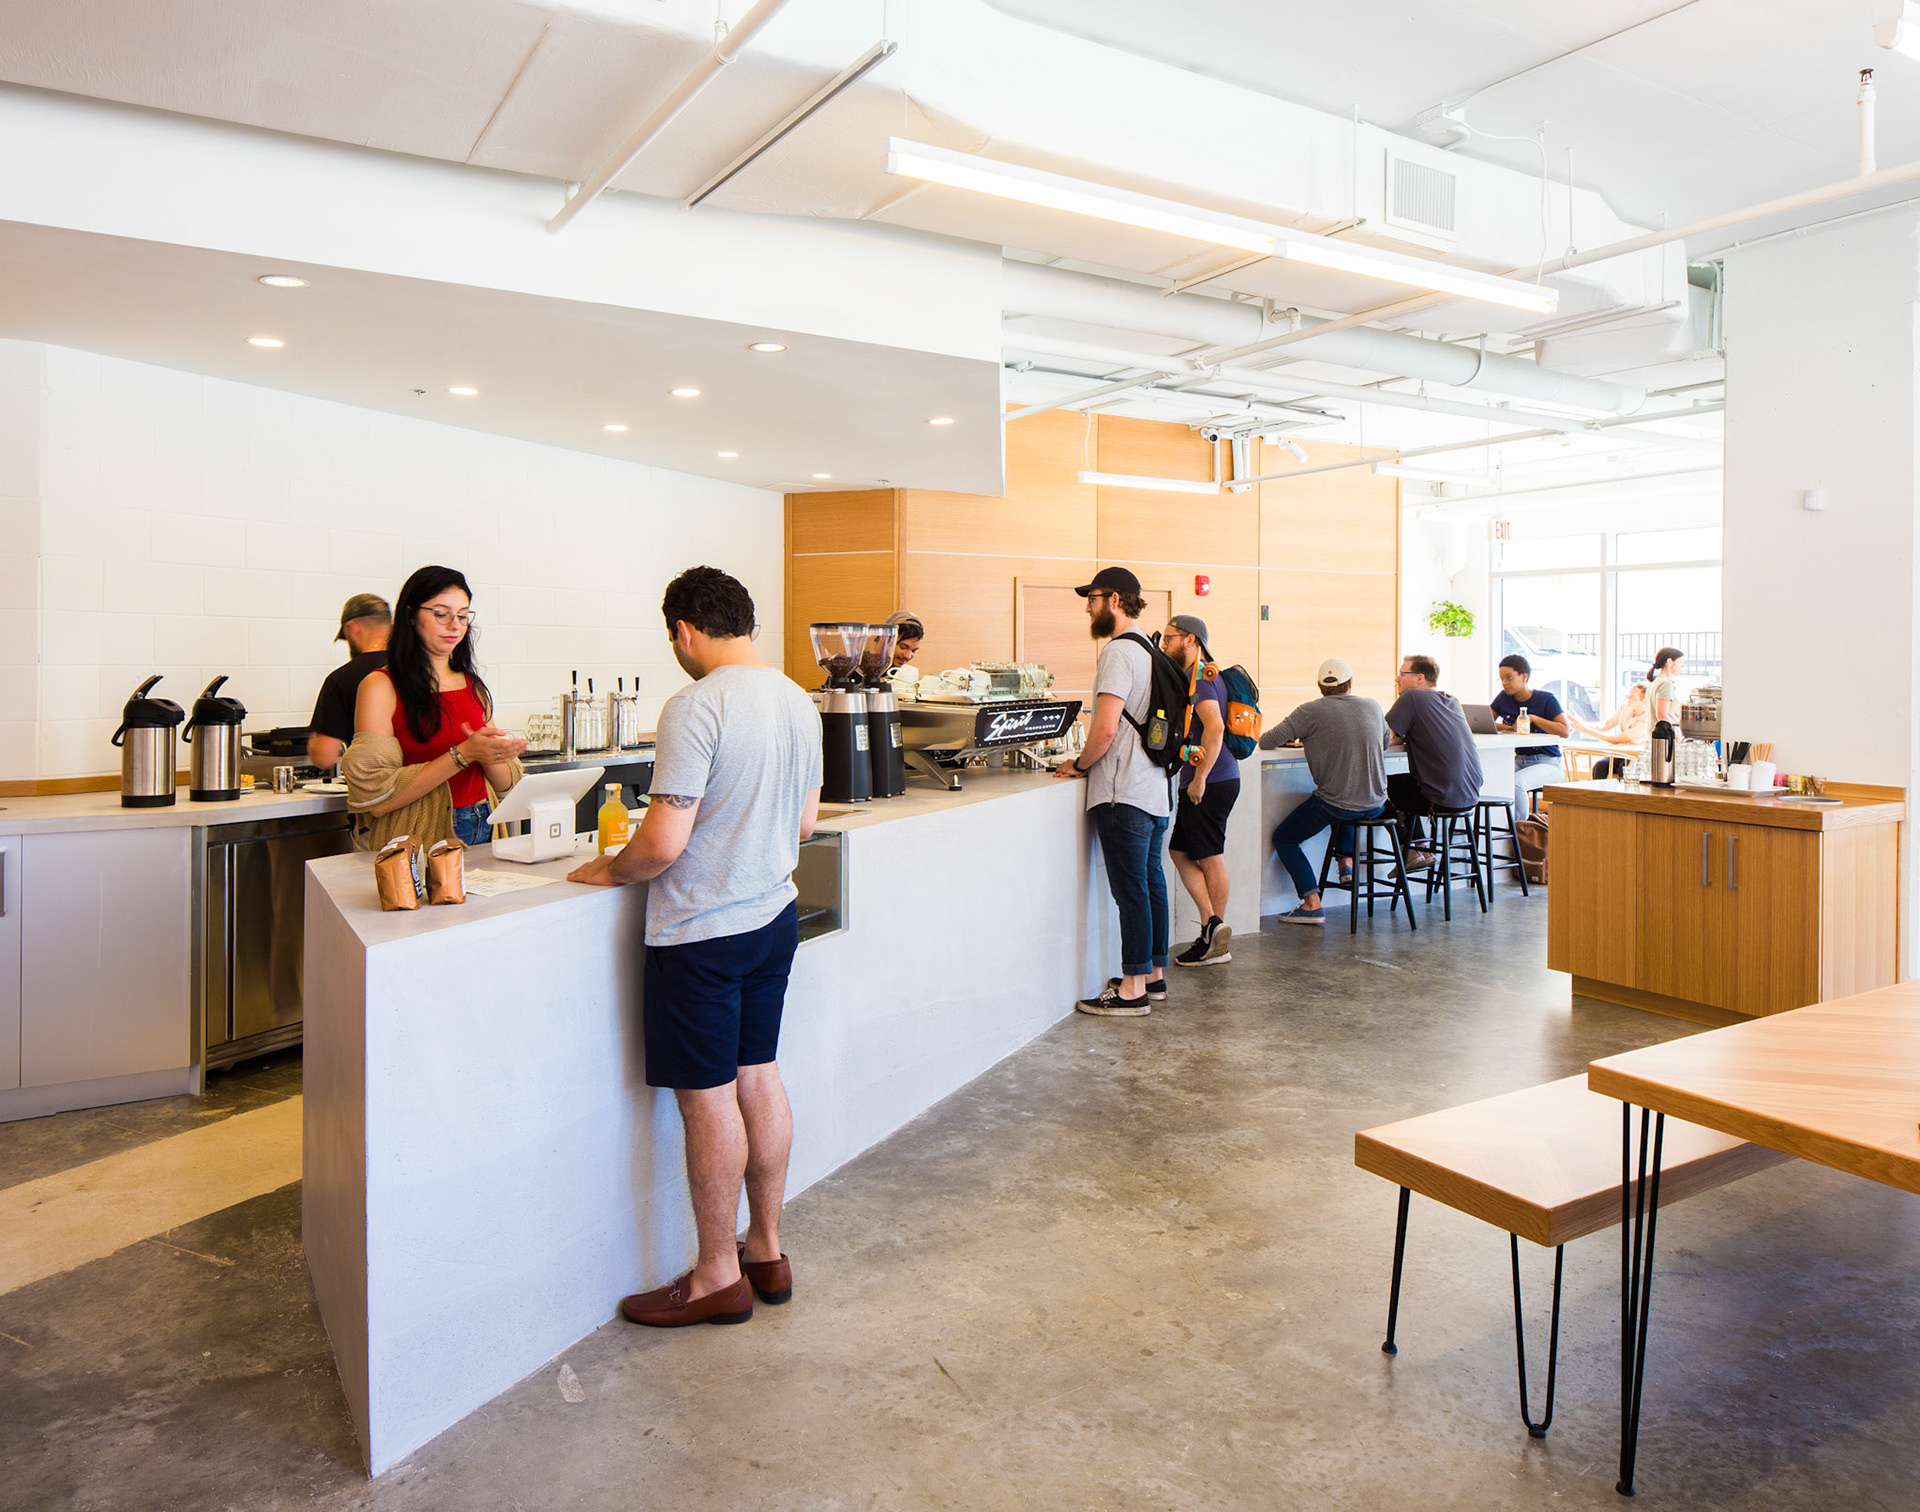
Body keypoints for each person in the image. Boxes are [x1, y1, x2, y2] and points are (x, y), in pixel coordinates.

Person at [569, 566, 822, 1328]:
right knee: (759, 1078)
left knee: (709, 1100)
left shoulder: (695, 705)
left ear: (683, 631)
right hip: (773, 918)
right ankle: (765, 1249)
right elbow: (805, 824)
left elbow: (661, 844)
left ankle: (716, 1274)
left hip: (702, 934)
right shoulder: (797, 699)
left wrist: (610, 869)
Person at [1054, 567, 1171, 1015]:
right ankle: (1153, 977)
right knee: (1150, 883)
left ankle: (1132, 990)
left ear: (1116, 600)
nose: (1088, 608)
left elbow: (1104, 729)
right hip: (1155, 789)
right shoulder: (1150, 649)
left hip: (1125, 792)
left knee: (1131, 891)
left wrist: (1079, 764)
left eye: (1093, 598)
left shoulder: (1119, 652)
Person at [346, 566, 525, 849]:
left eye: (463, 616)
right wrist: (463, 754)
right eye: (441, 614)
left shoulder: (472, 685)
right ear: (411, 615)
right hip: (419, 833)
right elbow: (376, 797)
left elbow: (506, 787)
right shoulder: (381, 686)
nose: (455, 626)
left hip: (485, 823)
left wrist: (492, 754)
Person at [1257, 658, 1388, 926]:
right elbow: (1384, 742)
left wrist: (1303, 736)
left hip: (1337, 804)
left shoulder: (1309, 711)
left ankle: (1312, 903)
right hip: (1377, 804)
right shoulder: (1373, 706)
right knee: (1348, 804)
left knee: (1285, 838)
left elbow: (1267, 740)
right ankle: (1345, 864)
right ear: (1350, 683)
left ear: (1320, 686)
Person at [1159, 614, 1236, 967]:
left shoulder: (1202, 678)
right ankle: (1212, 927)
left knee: (1209, 856)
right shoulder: (1195, 676)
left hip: (1212, 781)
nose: (1164, 644)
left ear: (1191, 640)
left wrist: (1200, 776)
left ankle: (1214, 940)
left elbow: (1215, 728)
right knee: (1180, 850)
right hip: (1209, 780)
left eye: (1169, 638)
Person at [1384, 654, 1483, 868]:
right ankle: (1419, 847)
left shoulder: (1412, 697)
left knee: (1376, 786)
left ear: (1419, 678)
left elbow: (1383, 737)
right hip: (1470, 795)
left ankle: (1410, 848)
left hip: (1439, 798)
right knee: (1407, 784)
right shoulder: (1451, 700)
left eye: (1402, 674)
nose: (1397, 679)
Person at [306, 593, 391, 772]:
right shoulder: (419, 668)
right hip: (428, 778)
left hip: (375, 782)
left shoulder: (340, 680)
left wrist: (314, 746)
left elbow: (325, 756)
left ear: (353, 628)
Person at [1491, 653, 1569, 814]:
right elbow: (1486, 721)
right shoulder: (1504, 698)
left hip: (1547, 762)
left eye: (1509, 678)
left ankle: (1521, 828)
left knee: (1517, 783)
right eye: (1502, 679)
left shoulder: (1546, 699)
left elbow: (1565, 731)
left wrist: (1533, 719)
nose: (1504, 683)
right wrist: (1510, 728)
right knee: (1492, 778)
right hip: (1519, 759)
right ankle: (1499, 826)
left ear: (1524, 676)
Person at [1574, 676, 1651, 780]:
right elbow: (1606, 726)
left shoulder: (1647, 721)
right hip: (1620, 754)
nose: (1628, 699)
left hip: (1636, 757)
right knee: (1600, 766)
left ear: (1644, 701)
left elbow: (1617, 739)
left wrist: (1584, 729)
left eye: (1633, 698)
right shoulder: (1625, 708)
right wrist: (1581, 723)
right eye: (1628, 696)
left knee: (1623, 768)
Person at [1648, 647, 1685, 724]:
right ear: (1669, 662)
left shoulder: (1655, 681)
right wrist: (1672, 731)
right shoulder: (1666, 683)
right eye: (1680, 662)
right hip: (1665, 731)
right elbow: (1662, 715)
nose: (1683, 666)